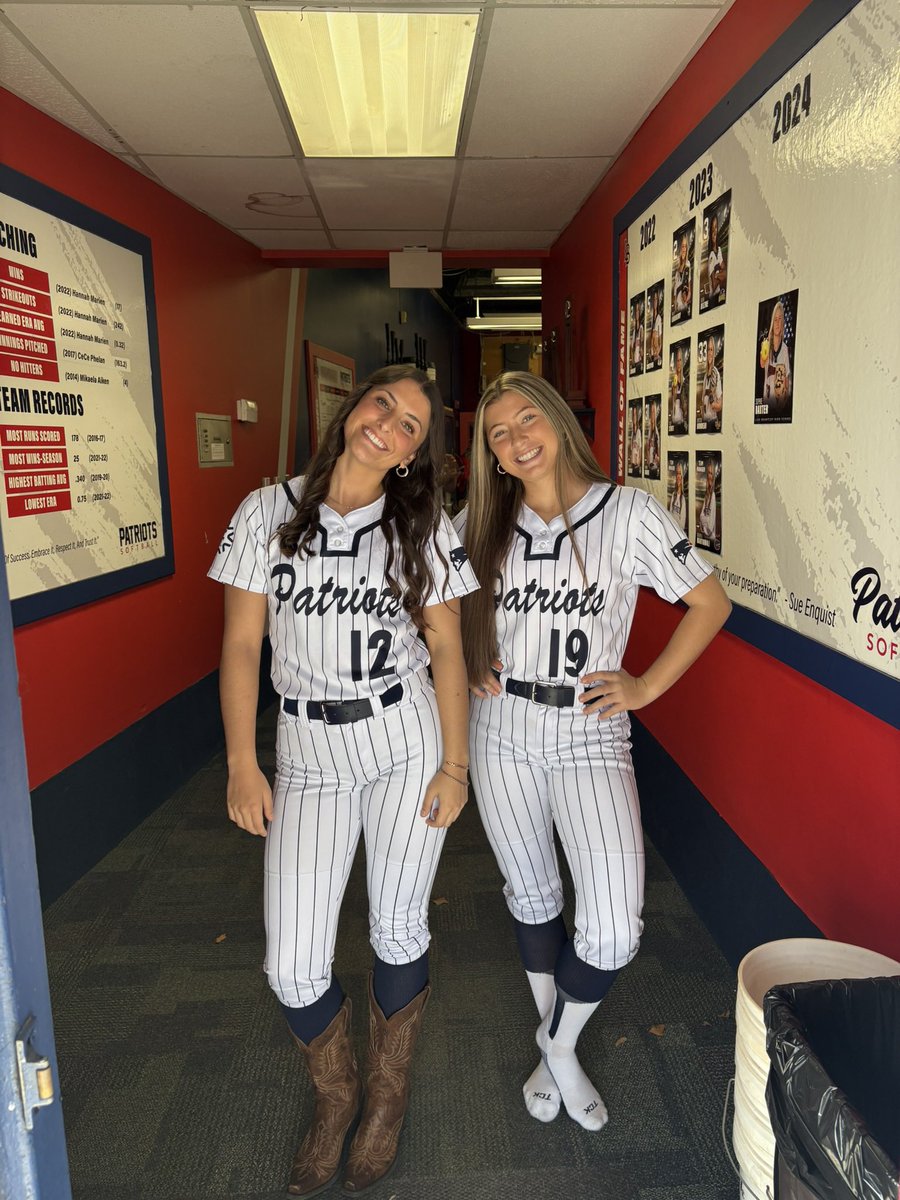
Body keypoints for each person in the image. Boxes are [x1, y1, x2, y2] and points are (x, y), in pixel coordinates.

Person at [208, 364, 478, 1197]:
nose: (388, 425)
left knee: (397, 928)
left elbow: (445, 646)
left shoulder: (421, 525)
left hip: (402, 738)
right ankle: (337, 1096)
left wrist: (456, 764)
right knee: (292, 964)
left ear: (411, 454)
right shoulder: (266, 510)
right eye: (381, 404)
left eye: (409, 426)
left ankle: (385, 1098)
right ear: (352, 408)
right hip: (306, 749)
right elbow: (242, 644)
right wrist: (242, 761)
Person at [455, 372, 731, 1134]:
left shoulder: (628, 512)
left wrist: (645, 686)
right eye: (498, 434)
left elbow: (710, 603)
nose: (516, 439)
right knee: (532, 895)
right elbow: (430, 602)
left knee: (613, 925)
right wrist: (464, 658)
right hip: (501, 726)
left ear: (557, 420)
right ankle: (562, 1055)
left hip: (589, 727)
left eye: (527, 419)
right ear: (491, 456)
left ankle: (556, 1043)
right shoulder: (480, 520)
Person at [761, 300, 792, 411]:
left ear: (783, 322)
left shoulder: (784, 349)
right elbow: (762, 364)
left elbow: (787, 379)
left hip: (779, 404)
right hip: (767, 399)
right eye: (775, 319)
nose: (778, 323)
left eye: (780, 319)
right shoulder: (766, 344)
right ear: (772, 323)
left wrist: (783, 400)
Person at [699, 335, 723, 431]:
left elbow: (719, 406)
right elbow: (702, 401)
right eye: (708, 349)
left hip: (712, 422)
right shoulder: (705, 376)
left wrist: (712, 401)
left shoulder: (716, 373)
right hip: (705, 422)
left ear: (714, 353)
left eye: (711, 350)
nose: (709, 352)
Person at [705, 213, 726, 303]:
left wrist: (717, 275)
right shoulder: (711, 255)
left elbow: (725, 270)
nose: (714, 231)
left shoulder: (719, 250)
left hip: (720, 294)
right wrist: (721, 275)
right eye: (712, 229)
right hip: (713, 298)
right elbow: (713, 285)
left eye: (716, 227)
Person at [698, 456, 718, 543]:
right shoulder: (707, 495)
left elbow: (710, 525)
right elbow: (701, 516)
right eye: (708, 473)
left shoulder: (713, 496)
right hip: (705, 537)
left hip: (711, 538)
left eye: (711, 473)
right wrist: (705, 520)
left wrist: (704, 521)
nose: (710, 476)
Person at [673, 233, 692, 319]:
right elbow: (675, 291)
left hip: (684, 306)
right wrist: (675, 306)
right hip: (678, 308)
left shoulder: (688, 264)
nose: (684, 249)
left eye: (685, 246)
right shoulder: (676, 270)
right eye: (682, 246)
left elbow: (689, 286)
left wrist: (687, 299)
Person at [667, 457, 688, 533]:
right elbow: (670, 514)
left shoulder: (684, 498)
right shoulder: (674, 494)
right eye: (677, 474)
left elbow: (682, 524)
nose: (678, 477)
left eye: (680, 474)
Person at [670, 345, 687, 433]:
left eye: (680, 360)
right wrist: (674, 384)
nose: (679, 363)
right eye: (677, 360)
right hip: (674, 421)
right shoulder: (674, 380)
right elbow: (673, 396)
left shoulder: (685, 381)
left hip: (682, 422)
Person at [647, 286, 663, 370]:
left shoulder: (659, 318)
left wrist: (659, 346)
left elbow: (659, 335)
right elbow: (650, 336)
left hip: (656, 343)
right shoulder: (650, 319)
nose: (655, 301)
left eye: (656, 299)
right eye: (654, 299)